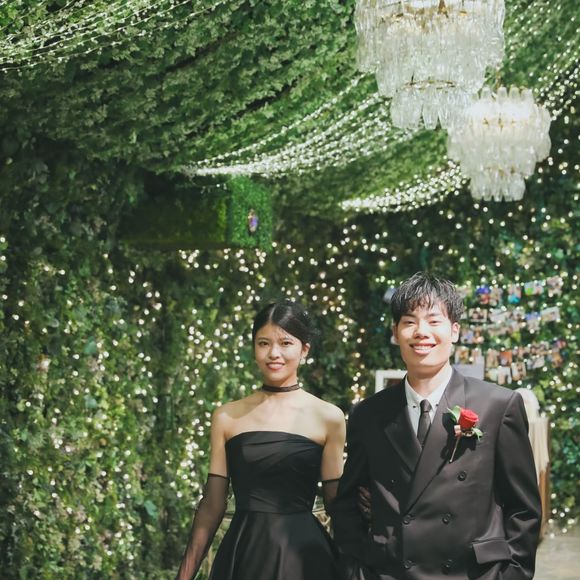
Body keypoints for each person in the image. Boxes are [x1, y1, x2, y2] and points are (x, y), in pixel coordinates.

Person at [331, 272, 541, 580]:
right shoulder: (369, 414)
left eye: (433, 321)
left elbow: (523, 509)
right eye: (409, 322)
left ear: (454, 330)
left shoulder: (498, 406)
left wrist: (511, 575)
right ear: (395, 332)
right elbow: (348, 503)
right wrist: (357, 571)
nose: (421, 332)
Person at [176, 300, 346, 580]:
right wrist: (184, 576)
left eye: (285, 343)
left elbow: (336, 505)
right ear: (254, 347)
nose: (274, 353)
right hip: (244, 554)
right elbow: (212, 505)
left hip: (305, 559)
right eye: (264, 343)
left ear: (304, 349)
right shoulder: (226, 416)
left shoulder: (328, 417)